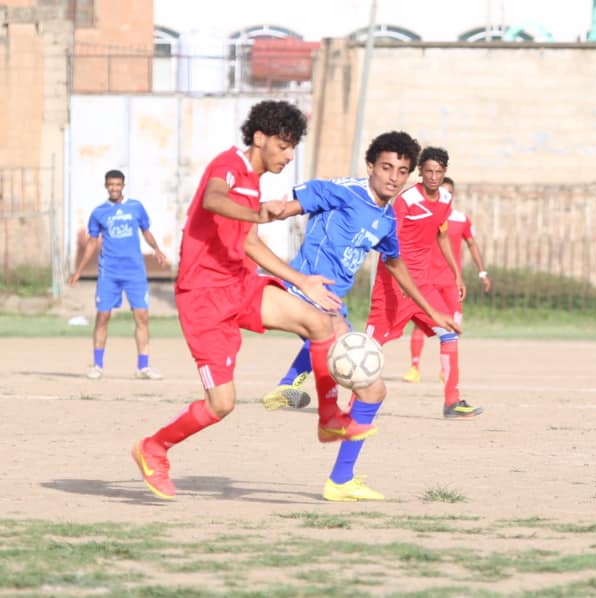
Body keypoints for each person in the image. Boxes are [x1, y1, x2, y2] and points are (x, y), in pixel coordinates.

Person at [131, 102, 452, 502]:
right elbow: (214, 200)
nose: (289, 156)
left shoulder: (261, 186)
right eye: (285, 148)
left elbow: (248, 242)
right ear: (261, 138)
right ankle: (154, 447)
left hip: (243, 284)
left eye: (403, 171)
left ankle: (330, 424)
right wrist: (270, 214)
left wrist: (299, 277)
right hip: (203, 298)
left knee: (325, 329)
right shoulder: (230, 166)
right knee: (221, 404)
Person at [260, 131, 461, 501]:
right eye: (386, 167)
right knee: (330, 333)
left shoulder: (386, 221)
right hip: (301, 289)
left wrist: (433, 310)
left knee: (374, 389)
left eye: (402, 171)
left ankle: (340, 479)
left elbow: (397, 264)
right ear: (370, 166)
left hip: (332, 303)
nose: (393, 177)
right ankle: (291, 387)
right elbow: (294, 203)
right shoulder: (344, 191)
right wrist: (267, 211)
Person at [366, 147, 483, 418]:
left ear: (445, 173)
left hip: (423, 282)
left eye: (438, 172)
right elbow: (388, 240)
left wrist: (457, 274)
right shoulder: (406, 200)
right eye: (428, 171)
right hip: (394, 282)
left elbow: (441, 236)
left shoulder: (444, 198)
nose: (433, 176)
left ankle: (452, 401)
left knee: (449, 332)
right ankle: (352, 406)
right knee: (369, 347)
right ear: (420, 171)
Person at [68, 170, 167, 380]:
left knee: (142, 317)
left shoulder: (135, 207)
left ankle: (143, 366)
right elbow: (92, 242)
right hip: (109, 273)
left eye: (118, 184)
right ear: (106, 186)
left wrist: (157, 249)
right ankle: (97, 365)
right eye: (111, 184)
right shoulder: (99, 213)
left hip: (135, 273)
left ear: (123, 185)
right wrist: (79, 270)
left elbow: (145, 231)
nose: (114, 188)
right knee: (103, 316)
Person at [403, 176, 492, 385]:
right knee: (423, 324)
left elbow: (472, 244)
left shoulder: (461, 219)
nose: (445, 195)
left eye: (449, 192)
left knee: (453, 326)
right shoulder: (423, 216)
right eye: (442, 191)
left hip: (451, 283)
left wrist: (482, 272)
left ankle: (446, 371)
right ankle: (414, 367)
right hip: (427, 280)